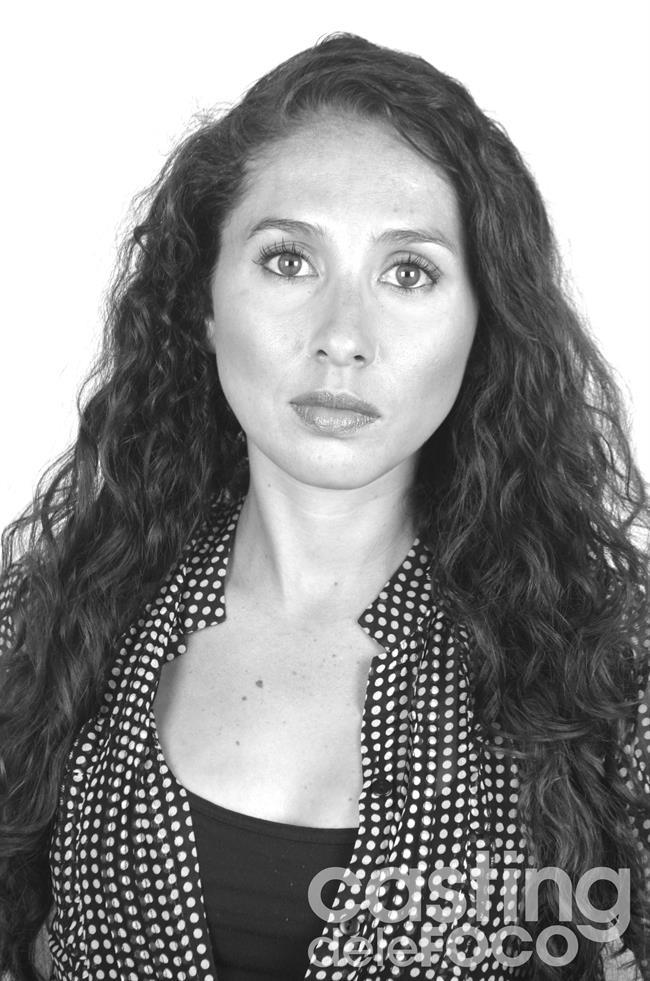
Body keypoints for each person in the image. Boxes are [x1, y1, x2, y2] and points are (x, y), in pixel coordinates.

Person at [0, 31, 648, 981]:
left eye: (409, 272)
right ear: (203, 302)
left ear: (486, 322)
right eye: (288, 261)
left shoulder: (616, 667)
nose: (343, 336)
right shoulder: (51, 622)